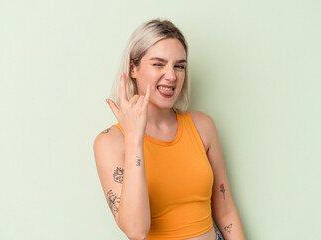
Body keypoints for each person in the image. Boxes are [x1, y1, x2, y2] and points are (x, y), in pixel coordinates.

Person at [93, 19, 246, 240]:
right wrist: (135, 139)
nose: (172, 76)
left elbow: (226, 211)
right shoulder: (110, 142)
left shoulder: (202, 126)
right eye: (158, 64)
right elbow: (136, 231)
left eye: (179, 66)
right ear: (133, 68)